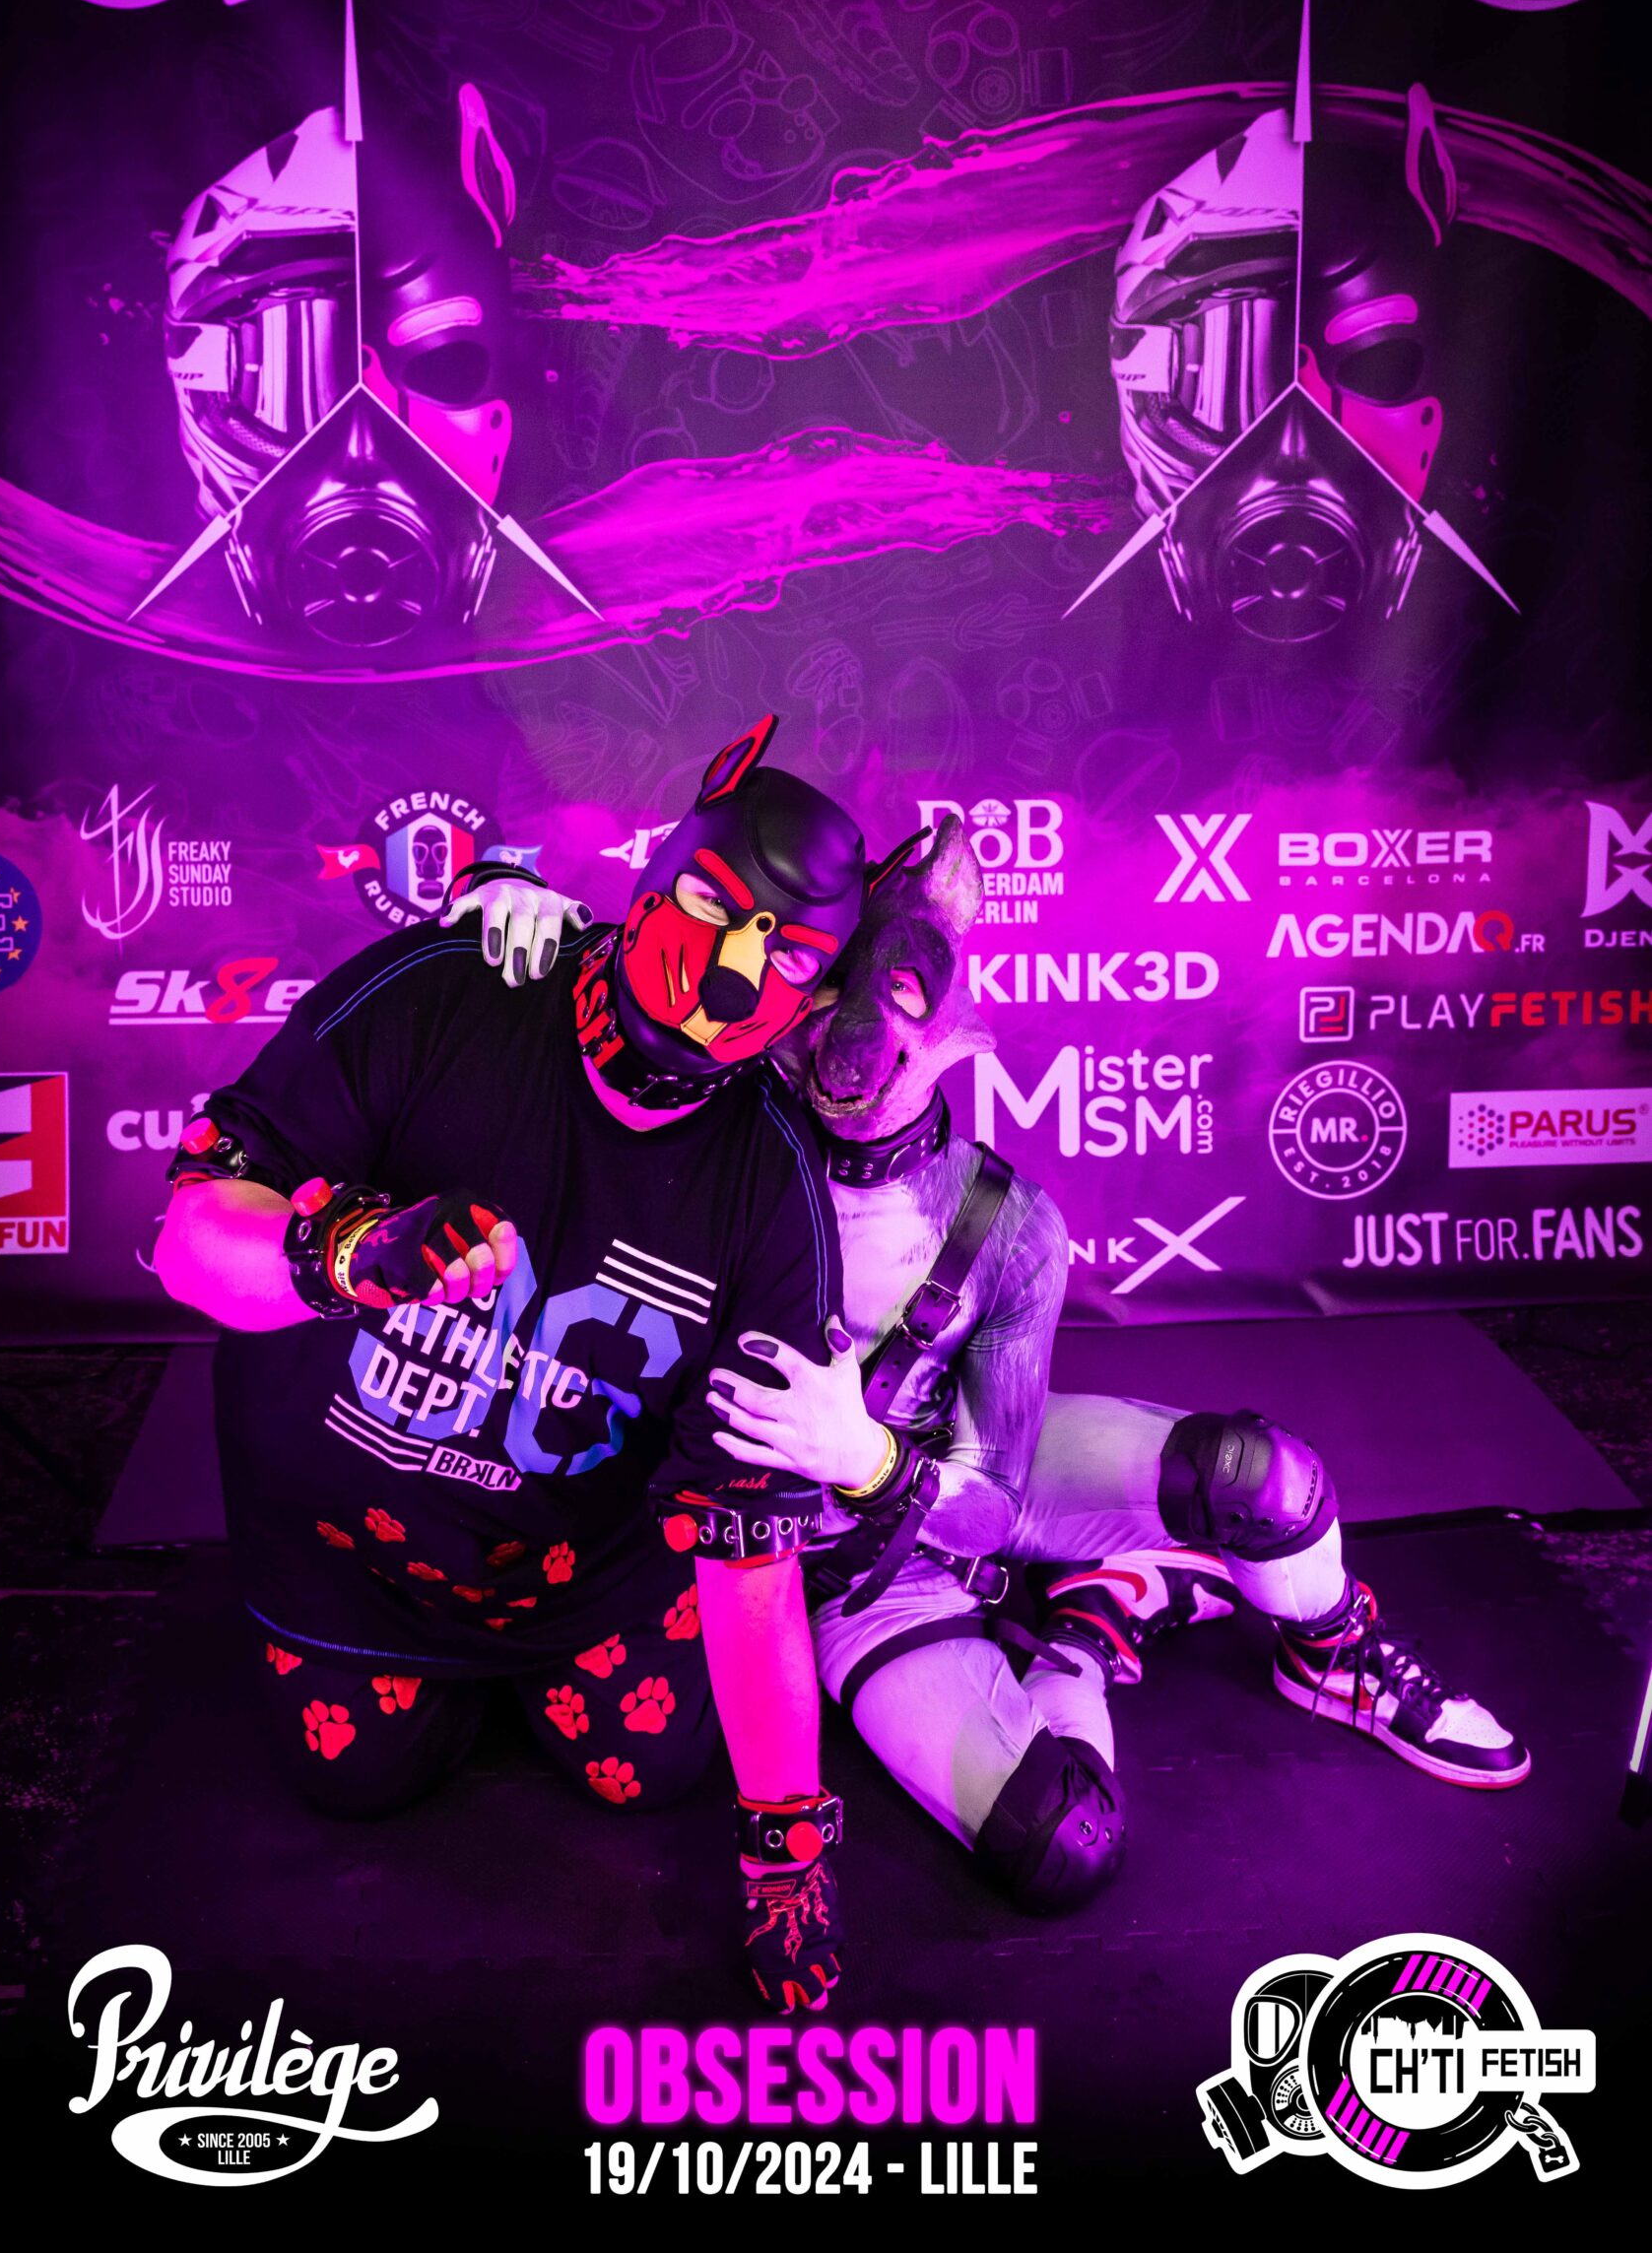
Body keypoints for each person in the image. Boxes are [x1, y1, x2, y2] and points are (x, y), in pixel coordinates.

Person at [473, 817, 1530, 1918]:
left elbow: (989, 1504)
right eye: (826, 992)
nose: (854, 1041)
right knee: (1063, 1839)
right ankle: (1090, 1630)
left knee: (1264, 1483)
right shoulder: (709, 1129)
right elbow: (633, 1008)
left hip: (939, 1474)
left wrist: (870, 1457)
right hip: (815, 1578)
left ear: (950, 1024)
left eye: (900, 996)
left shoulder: (1006, 1223)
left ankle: (1331, 1649)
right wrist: (521, 929)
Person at [155, 714, 919, 2011]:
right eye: (710, 904)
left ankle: (543, 1675)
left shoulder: (769, 1187)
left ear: (814, 995)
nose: (728, 975)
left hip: (584, 1582)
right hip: (356, 1561)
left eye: (786, 953)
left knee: (652, 1772)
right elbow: (186, 1244)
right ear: (651, 877)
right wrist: (346, 1251)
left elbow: (750, 1543)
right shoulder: (447, 991)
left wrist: (786, 1846)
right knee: (355, 1779)